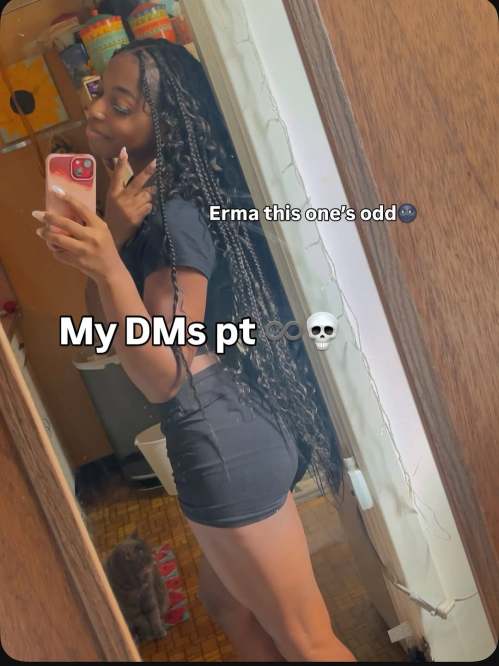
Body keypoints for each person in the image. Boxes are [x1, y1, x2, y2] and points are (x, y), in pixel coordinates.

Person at [33, 37, 355, 662]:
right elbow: (99, 330)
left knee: (309, 641)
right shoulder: (141, 210)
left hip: (220, 437)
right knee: (228, 604)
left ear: (163, 124)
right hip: (230, 425)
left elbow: (165, 372)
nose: (94, 110)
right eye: (98, 93)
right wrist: (110, 238)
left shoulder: (174, 216)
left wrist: (107, 263)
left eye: (120, 104)